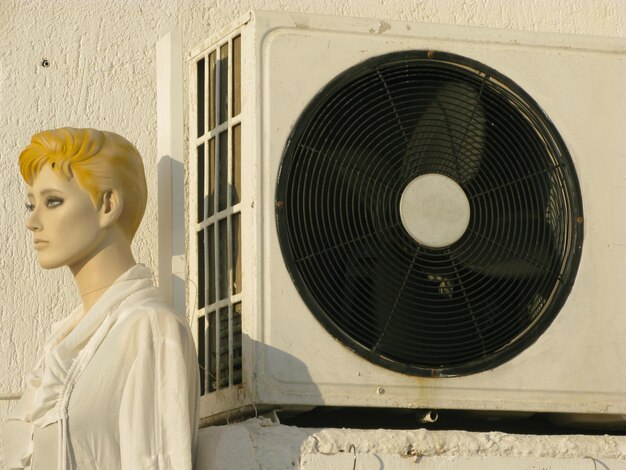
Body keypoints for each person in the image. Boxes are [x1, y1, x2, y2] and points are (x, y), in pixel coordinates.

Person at [3, 128, 199, 469]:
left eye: (52, 202)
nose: (32, 221)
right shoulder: (63, 344)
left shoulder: (149, 329)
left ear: (107, 204)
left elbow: (157, 460)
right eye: (30, 204)